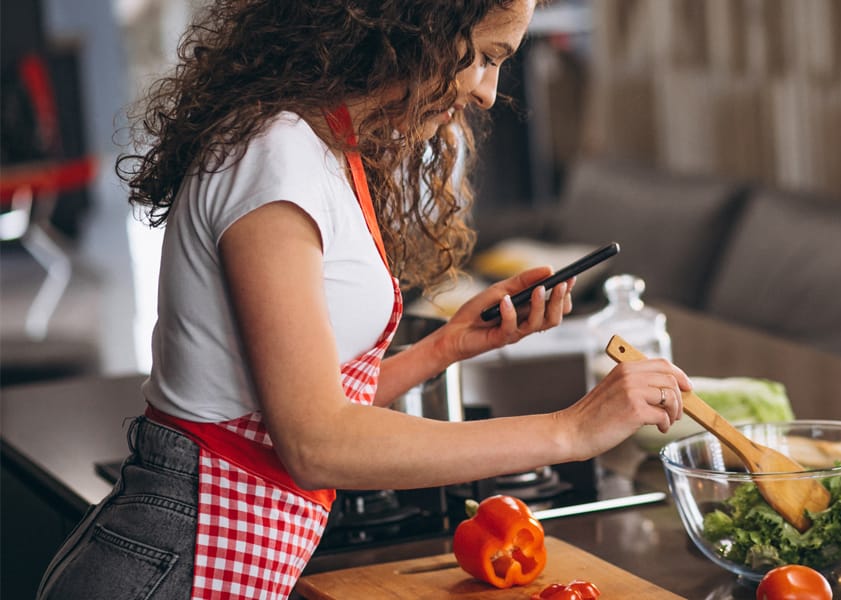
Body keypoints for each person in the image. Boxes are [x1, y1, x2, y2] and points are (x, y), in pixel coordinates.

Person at [36, 1, 691, 598]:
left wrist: (444, 347)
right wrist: (569, 431)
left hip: (182, 554)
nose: (490, 93)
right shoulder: (272, 158)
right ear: (419, 21)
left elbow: (293, 403)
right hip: (169, 562)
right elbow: (317, 443)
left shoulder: (314, 144)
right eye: (487, 56)